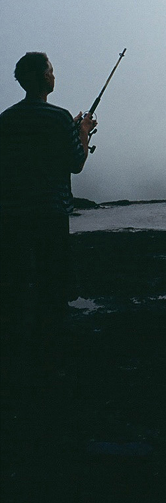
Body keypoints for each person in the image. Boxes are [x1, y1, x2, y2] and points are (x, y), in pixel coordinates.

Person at [0, 52, 96, 368]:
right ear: (43, 77)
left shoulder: (7, 119)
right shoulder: (58, 119)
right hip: (50, 213)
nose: (54, 76)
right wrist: (82, 130)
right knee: (52, 283)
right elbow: (76, 162)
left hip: (12, 215)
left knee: (16, 284)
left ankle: (17, 353)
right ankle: (49, 357)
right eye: (51, 70)